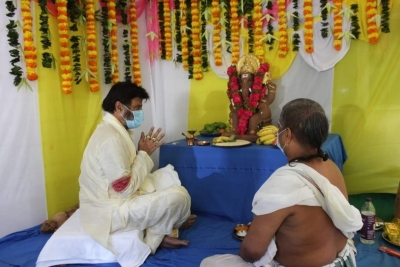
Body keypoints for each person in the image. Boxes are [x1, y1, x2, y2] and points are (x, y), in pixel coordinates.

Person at [201, 98, 362, 267]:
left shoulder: (282, 184)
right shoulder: (332, 168)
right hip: (343, 261)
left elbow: (252, 252)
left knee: (209, 263)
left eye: (279, 127)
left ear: (288, 134)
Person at [78, 82, 196, 259]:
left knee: (168, 177)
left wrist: (141, 153)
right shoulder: (110, 138)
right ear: (119, 107)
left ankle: (163, 226)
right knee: (179, 197)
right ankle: (154, 241)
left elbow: (127, 172)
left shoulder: (115, 131)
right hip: (110, 212)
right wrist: (144, 154)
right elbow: (124, 189)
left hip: (118, 198)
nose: (140, 113)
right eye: (137, 108)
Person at [227, 54, 277, 137]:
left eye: (249, 81)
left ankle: (252, 133)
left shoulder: (259, 90)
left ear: (255, 80)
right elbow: (233, 106)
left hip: (259, 113)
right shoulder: (237, 93)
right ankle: (234, 130)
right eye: (242, 81)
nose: (245, 84)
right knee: (234, 114)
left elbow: (269, 100)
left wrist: (272, 90)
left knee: (253, 118)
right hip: (243, 112)